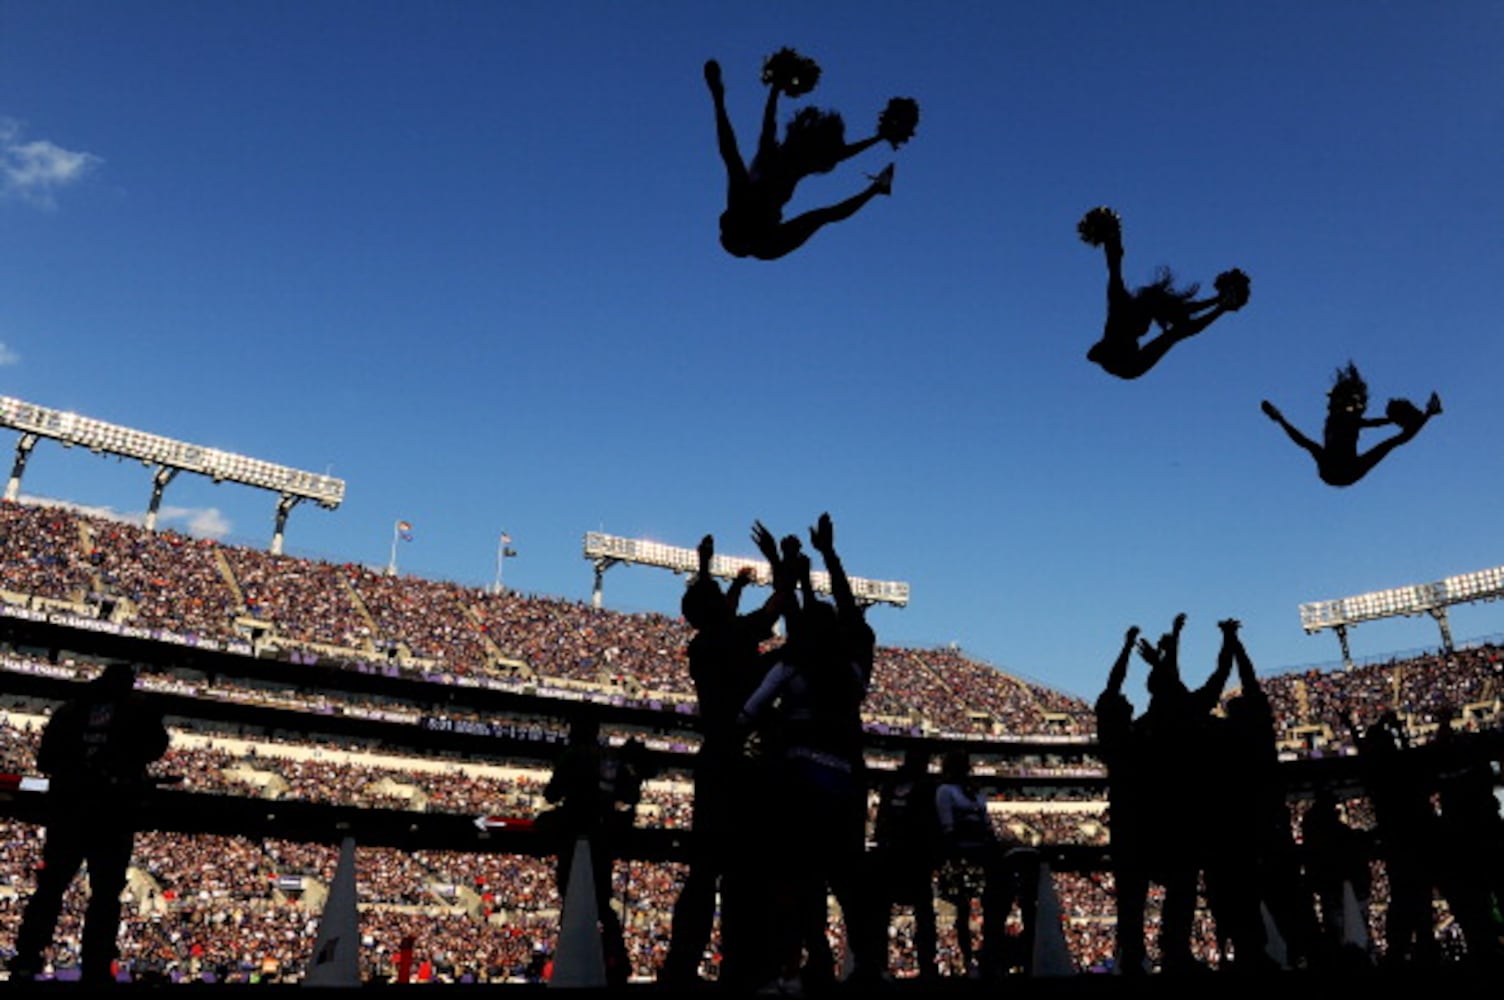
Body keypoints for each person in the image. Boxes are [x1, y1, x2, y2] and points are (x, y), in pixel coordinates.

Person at [662, 529, 789, 988]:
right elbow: (773, 608)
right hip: (741, 764)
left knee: (704, 871)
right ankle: (743, 968)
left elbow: (718, 613)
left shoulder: (704, 642)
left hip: (713, 758)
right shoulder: (729, 636)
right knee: (744, 873)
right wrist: (782, 563)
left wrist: (707, 570)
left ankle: (681, 966)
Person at [9, 661, 170, 984]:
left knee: (51, 888)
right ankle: (96, 967)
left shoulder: (70, 711)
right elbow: (157, 747)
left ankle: (27, 958)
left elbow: (45, 760)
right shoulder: (136, 711)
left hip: (68, 810)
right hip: (112, 813)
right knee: (105, 895)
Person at [705, 49, 918, 260]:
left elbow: (734, 145)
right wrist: (879, 141)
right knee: (823, 215)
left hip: (756, 221)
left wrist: (723, 95)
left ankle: (877, 188)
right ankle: (878, 189)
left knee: (822, 211)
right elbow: (836, 162)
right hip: (768, 240)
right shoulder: (765, 235)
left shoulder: (747, 185)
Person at [1078, 206, 1250, 379]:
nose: (1147, 326)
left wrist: (1218, 302)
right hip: (1126, 365)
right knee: (1177, 332)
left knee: (1178, 330)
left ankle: (1222, 304)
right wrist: (1112, 235)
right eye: (1145, 322)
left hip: (1127, 360)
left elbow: (1185, 313)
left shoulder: (1131, 309)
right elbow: (1114, 263)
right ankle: (1223, 304)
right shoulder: (1118, 304)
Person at [540, 716, 649, 987]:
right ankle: (616, 960)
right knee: (602, 902)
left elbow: (551, 794)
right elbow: (630, 796)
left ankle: (577, 958)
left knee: (574, 897)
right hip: (604, 838)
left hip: (576, 836)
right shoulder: (609, 759)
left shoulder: (573, 756)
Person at [1261, 362, 1442, 486]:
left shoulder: (1346, 420)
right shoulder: (1341, 420)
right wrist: (1280, 419)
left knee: (1390, 443)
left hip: (1340, 469)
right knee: (1390, 443)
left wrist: (1280, 420)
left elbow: (1371, 424)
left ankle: (1429, 413)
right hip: (1340, 469)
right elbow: (1303, 441)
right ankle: (1429, 414)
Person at [868, 747, 941, 981]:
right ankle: (926, 967)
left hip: (899, 857)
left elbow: (882, 821)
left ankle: (881, 966)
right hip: (912, 857)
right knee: (922, 914)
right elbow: (932, 824)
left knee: (885, 913)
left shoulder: (892, 785)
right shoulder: (927, 787)